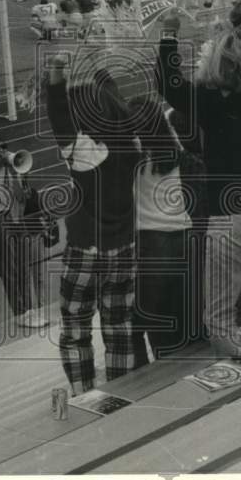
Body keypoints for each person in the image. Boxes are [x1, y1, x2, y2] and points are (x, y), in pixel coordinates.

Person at [156, 3, 241, 357]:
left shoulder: (210, 102)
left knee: (219, 316)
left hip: (232, 218)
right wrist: (237, 25)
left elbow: (169, 84)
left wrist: (168, 35)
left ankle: (239, 383)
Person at [45, 54, 139, 393]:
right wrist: (98, 69)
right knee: (119, 327)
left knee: (75, 331)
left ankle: (84, 393)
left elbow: (57, 113)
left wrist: (56, 73)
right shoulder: (132, 144)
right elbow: (113, 97)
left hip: (86, 252)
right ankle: (122, 390)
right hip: (125, 249)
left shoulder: (84, 152)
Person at [128, 96, 206, 362]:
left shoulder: (131, 162)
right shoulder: (181, 156)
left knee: (156, 327)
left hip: (152, 246)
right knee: (189, 321)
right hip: (187, 243)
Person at [0, 137, 48, 330]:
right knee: (9, 270)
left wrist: (21, 176)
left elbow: (22, 198)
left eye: (4, 147)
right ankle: (20, 312)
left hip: (17, 221)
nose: (2, 151)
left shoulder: (12, 170)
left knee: (23, 266)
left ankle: (30, 309)